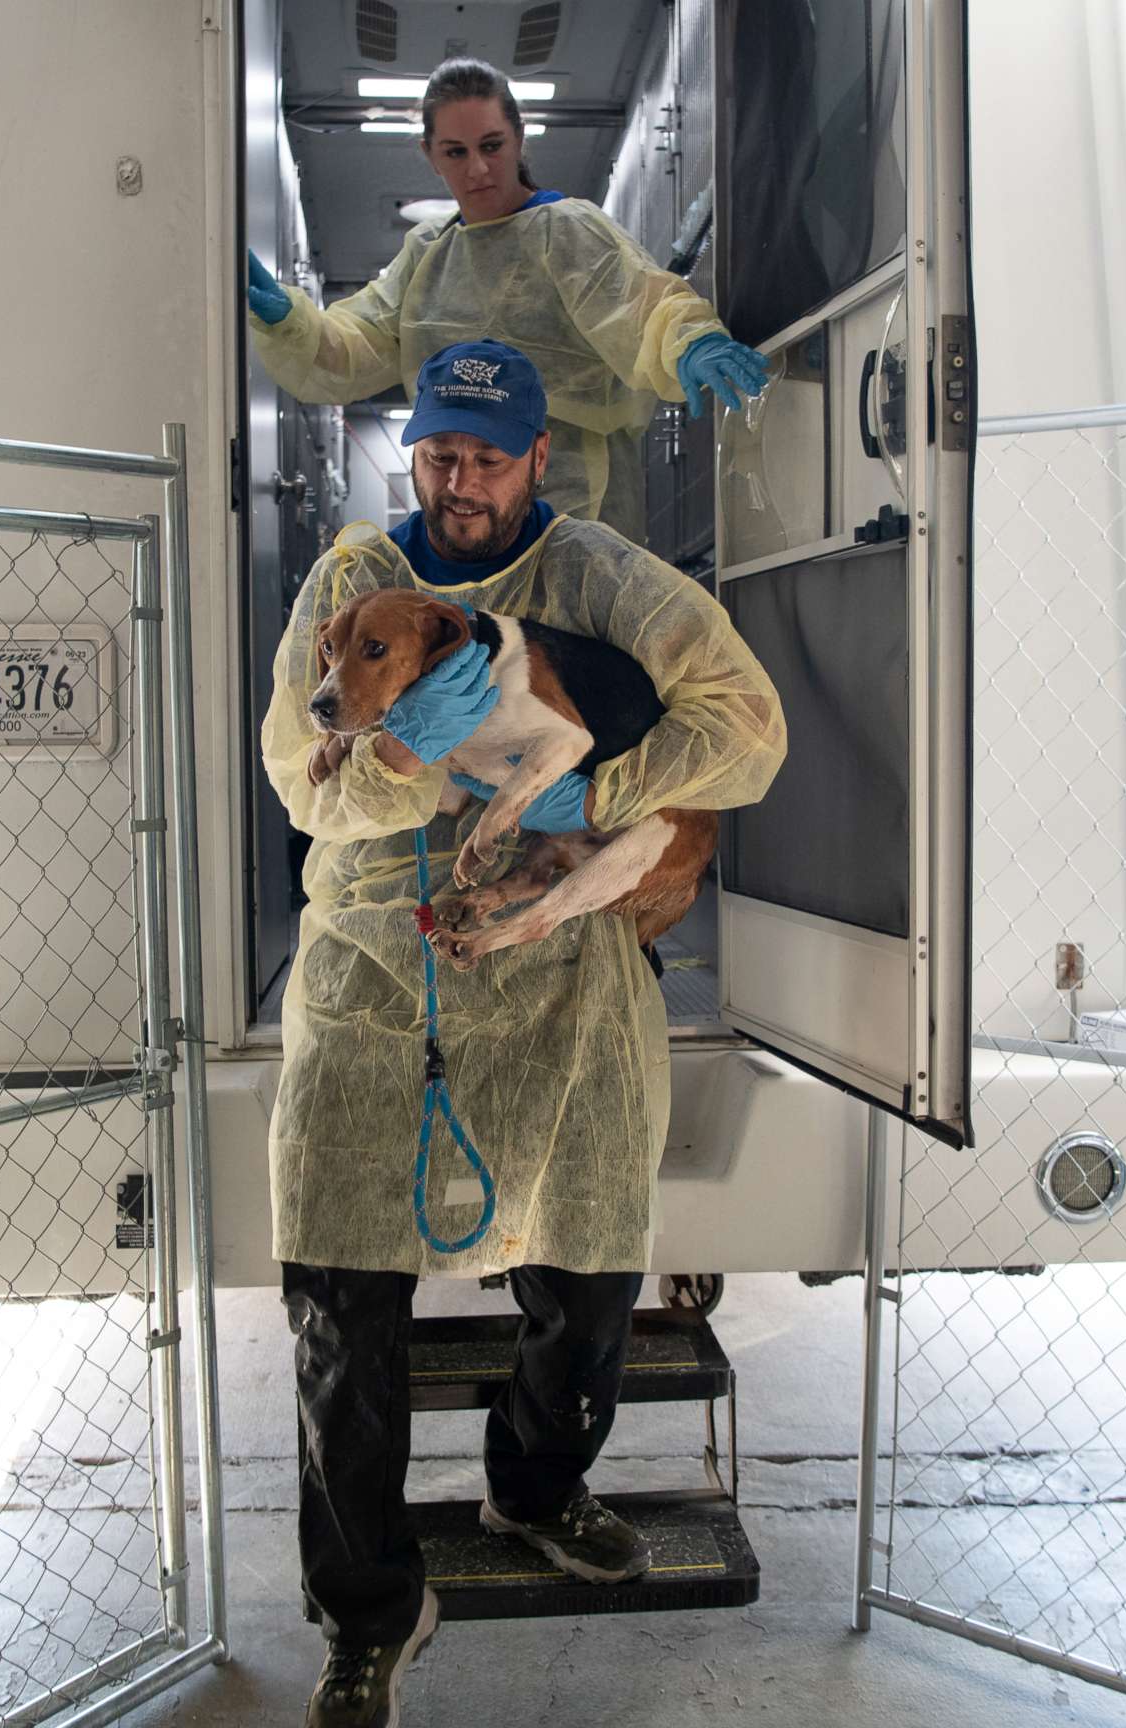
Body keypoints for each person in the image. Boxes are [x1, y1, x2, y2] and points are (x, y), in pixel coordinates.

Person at [260, 339, 786, 1728]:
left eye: (489, 458)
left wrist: (593, 789)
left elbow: (748, 725)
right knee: (337, 1298)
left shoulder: (603, 577)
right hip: (375, 980)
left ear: (538, 457)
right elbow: (291, 776)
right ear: (410, 451)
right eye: (439, 452)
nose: (462, 481)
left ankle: (537, 1488)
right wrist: (398, 761)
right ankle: (371, 1609)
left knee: (594, 1276)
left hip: (562, 973)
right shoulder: (351, 585)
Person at [244, 57, 769, 548]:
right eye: (456, 152)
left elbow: (639, 301)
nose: (477, 169)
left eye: (492, 146)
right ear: (430, 155)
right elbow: (356, 345)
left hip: (573, 510)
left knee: (567, 641)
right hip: (462, 519)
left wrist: (689, 340)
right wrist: (292, 323)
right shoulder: (427, 254)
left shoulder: (566, 230)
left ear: (518, 139)